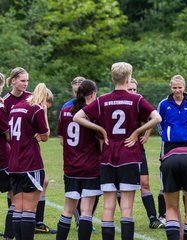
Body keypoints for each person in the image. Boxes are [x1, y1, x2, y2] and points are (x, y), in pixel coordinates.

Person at [73, 62, 162, 240]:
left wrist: (102, 131)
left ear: (112, 78)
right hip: (129, 156)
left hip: (107, 157)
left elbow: (78, 117)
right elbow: (157, 118)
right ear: (128, 79)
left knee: (108, 206)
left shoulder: (103, 100)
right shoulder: (136, 100)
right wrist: (137, 132)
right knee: (127, 207)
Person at [4, 67, 56, 234]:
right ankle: (11, 232)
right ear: (13, 81)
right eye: (22, 80)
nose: (26, 84)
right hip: (22, 157)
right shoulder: (8, 102)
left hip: (17, 160)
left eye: (27, 81)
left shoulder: (25, 102)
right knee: (24, 207)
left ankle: (33, 225)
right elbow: (45, 133)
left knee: (19, 204)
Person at [56, 80, 102, 240]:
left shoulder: (64, 111)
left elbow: (62, 140)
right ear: (93, 94)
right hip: (90, 167)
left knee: (67, 210)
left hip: (70, 167)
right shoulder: (93, 113)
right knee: (86, 211)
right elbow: (101, 141)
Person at [121, 78, 164, 229]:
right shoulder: (119, 102)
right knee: (122, 187)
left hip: (137, 149)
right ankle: (125, 217)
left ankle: (153, 218)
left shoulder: (139, 102)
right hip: (120, 150)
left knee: (144, 183)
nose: (132, 92)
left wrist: (146, 134)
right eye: (130, 89)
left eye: (134, 89)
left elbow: (153, 118)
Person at [157, 75, 187, 221]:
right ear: (170, 87)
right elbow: (159, 123)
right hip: (169, 144)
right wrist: (169, 135)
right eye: (174, 87)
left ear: (184, 87)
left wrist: (186, 135)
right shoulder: (163, 104)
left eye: (179, 87)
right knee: (166, 177)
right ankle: (163, 215)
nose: (177, 90)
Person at [0, 72, 12, 239]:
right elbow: (7, 133)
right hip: (2, 156)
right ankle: (10, 233)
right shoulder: (0, 106)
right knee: (14, 194)